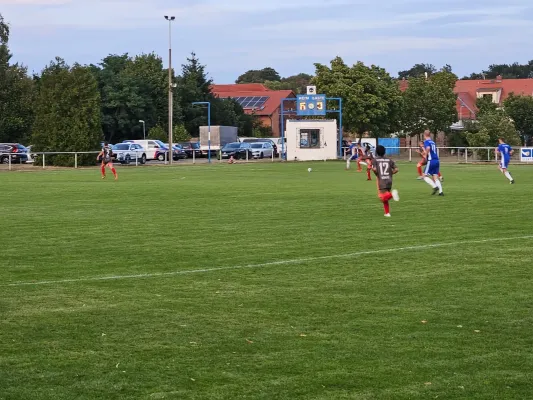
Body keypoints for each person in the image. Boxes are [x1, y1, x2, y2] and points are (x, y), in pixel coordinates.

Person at [371, 145, 399, 217]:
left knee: (382, 197)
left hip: (382, 180)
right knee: (385, 198)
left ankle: (392, 195)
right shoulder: (389, 160)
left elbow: (374, 169)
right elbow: (396, 169)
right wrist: (391, 173)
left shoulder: (375, 160)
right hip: (389, 180)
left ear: (377, 152)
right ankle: (387, 213)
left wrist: (376, 173)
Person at [422, 131, 443, 195]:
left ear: (424, 135)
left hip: (431, 160)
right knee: (435, 176)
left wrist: (425, 154)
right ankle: (441, 192)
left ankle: (434, 187)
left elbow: (428, 148)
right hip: (437, 160)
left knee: (424, 176)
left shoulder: (426, 142)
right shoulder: (433, 142)